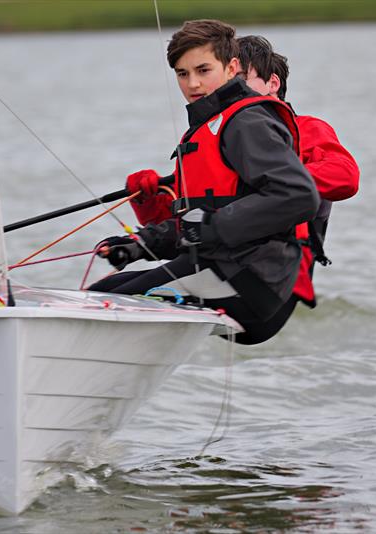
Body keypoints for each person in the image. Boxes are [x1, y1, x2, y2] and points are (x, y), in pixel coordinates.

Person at [88, 19, 319, 344]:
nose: (193, 83)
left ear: (231, 67)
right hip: (215, 267)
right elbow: (198, 219)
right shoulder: (206, 128)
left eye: (203, 70)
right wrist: (143, 245)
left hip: (252, 284)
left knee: (102, 305)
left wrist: (212, 225)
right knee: (102, 293)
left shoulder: (246, 121)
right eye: (183, 74)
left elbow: (298, 196)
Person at [236, 35, 359, 327]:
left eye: (241, 79)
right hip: (218, 266)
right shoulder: (225, 138)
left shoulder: (308, 130)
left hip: (278, 284)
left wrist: (279, 178)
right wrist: (150, 198)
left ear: (273, 84)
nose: (232, 90)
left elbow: (346, 177)